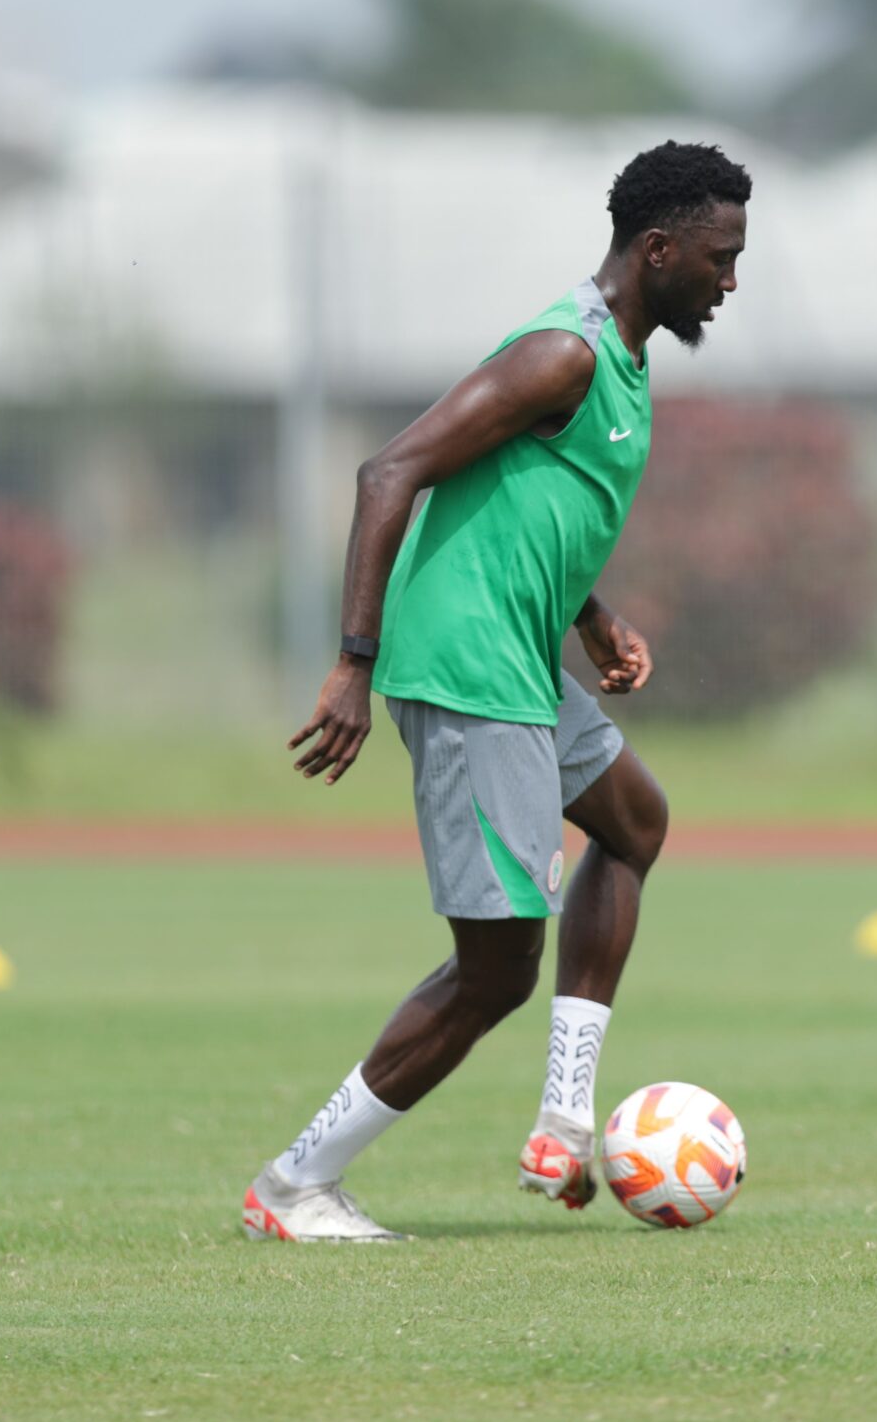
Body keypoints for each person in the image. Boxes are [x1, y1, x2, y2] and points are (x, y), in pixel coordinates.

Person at [243, 141, 752, 1240]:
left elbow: (524, 504)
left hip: (524, 655)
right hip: (472, 670)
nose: (729, 280)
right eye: (718, 257)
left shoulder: (621, 357)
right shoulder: (562, 353)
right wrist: (352, 663)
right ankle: (293, 1185)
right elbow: (393, 470)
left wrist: (588, 611)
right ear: (657, 249)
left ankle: (565, 1118)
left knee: (634, 823)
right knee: (494, 970)